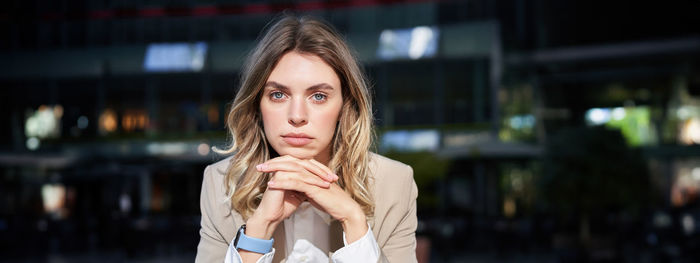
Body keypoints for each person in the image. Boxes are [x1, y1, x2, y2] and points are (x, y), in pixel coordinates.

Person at [195, 14, 418, 263]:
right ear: (257, 104)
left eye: (319, 96)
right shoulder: (221, 182)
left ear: (345, 107)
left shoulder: (394, 183)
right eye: (278, 95)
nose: (297, 116)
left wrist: (353, 221)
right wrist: (259, 228)